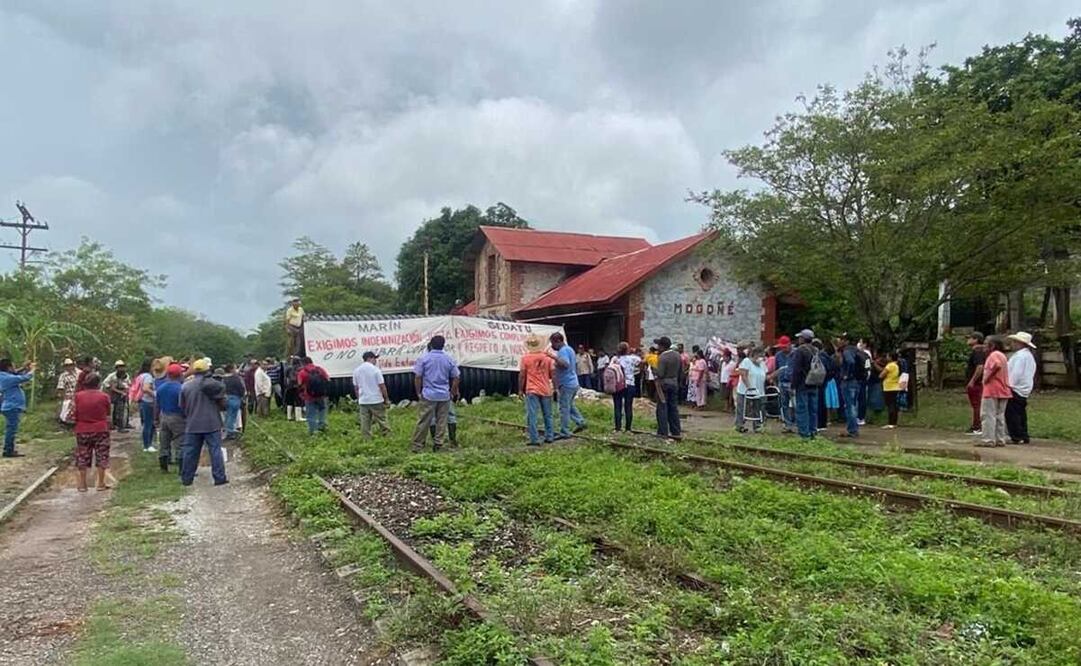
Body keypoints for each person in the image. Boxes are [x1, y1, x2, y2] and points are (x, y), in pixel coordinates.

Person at [179, 358, 228, 486]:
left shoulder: (185, 386)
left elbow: (182, 406)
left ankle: (187, 479)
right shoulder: (213, 385)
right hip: (212, 423)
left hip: (193, 424)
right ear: (208, 370)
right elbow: (222, 402)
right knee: (215, 451)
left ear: (194, 371)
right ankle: (219, 478)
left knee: (190, 452)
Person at [411, 335, 460, 452]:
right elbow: (457, 377)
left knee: (423, 420)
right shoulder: (449, 359)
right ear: (443, 345)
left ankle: (418, 445)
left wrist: (418, 392)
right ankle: (438, 444)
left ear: (431, 344)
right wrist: (452, 392)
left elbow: (418, 376)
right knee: (441, 421)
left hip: (428, 394)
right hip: (444, 395)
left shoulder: (424, 358)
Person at [72, 373, 112, 492]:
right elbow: (108, 413)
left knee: (82, 456)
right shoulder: (104, 396)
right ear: (98, 384)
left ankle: (83, 485)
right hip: (101, 429)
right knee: (102, 455)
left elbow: (74, 413)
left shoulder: (78, 396)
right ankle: (100, 483)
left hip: (82, 429)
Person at [548, 332, 587, 439]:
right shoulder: (570, 349)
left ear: (558, 341)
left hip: (566, 383)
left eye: (552, 343)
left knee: (563, 408)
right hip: (573, 382)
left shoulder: (563, 351)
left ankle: (565, 431)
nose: (552, 346)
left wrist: (554, 358)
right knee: (570, 405)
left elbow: (565, 364)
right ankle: (581, 422)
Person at [519, 334, 555, 445]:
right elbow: (552, 374)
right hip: (546, 389)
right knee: (548, 414)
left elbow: (522, 375)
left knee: (532, 414)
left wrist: (520, 389)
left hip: (532, 389)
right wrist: (555, 387)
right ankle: (549, 436)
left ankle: (534, 439)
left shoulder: (525, 358)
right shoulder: (548, 358)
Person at [977, 336, 1012, 447]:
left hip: (992, 389)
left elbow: (996, 365)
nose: (984, 346)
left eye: (986, 344)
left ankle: (988, 439)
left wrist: (986, 378)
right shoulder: (1002, 355)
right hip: (1003, 389)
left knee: (988, 415)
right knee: (999, 415)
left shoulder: (993, 355)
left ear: (992, 346)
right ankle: (1000, 438)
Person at [1006, 331, 1037, 445]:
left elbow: (1016, 373)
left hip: (1015, 388)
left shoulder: (1020, 357)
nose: (1012, 344)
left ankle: (1017, 436)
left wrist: (1008, 384)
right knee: (1020, 413)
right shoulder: (1028, 356)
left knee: (1012, 413)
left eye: (1014, 342)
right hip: (1023, 388)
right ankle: (1023, 435)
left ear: (1020, 343)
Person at [0, 359, 35, 458]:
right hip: (12, 406)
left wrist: (24, 367)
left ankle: (9, 449)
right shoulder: (7, 378)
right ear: (8, 367)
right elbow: (25, 378)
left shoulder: (3, 376)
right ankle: (8, 450)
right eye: (13, 366)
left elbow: (15, 373)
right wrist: (32, 370)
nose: (15, 368)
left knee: (11, 428)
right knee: (11, 429)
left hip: (10, 406)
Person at [789, 329, 820, 440]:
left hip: (803, 383)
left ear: (803, 338)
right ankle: (813, 431)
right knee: (813, 409)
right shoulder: (816, 350)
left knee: (802, 408)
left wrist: (793, 385)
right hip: (814, 382)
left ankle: (804, 433)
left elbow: (796, 369)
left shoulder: (800, 350)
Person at [155, 363, 186, 473]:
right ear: (179, 375)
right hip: (177, 417)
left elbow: (157, 405)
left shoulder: (161, 388)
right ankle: (182, 468)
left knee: (164, 442)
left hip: (164, 416)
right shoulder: (181, 388)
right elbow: (183, 405)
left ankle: (164, 467)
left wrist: (156, 419)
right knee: (180, 443)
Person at [353, 351, 391, 439]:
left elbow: (356, 388)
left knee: (365, 422)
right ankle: (387, 437)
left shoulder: (356, 371)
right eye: (375, 358)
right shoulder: (375, 370)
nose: (375, 361)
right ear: (370, 358)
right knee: (382, 420)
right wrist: (386, 399)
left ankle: (366, 440)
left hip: (363, 401)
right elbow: (382, 386)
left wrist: (359, 399)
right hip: (376, 399)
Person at [653, 336, 682, 440]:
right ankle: (676, 431)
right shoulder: (677, 355)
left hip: (663, 385)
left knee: (662, 408)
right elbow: (680, 371)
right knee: (673, 408)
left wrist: (654, 369)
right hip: (674, 383)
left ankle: (663, 432)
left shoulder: (662, 357)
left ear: (662, 346)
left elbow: (660, 373)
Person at [734, 348, 767, 433]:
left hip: (759, 391)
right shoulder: (747, 361)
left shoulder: (762, 364)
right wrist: (750, 387)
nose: (762, 358)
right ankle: (740, 425)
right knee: (743, 408)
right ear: (755, 355)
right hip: (745, 390)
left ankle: (757, 426)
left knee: (758, 408)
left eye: (763, 356)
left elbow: (765, 376)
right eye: (760, 356)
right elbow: (743, 375)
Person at [836, 335, 862, 438]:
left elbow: (851, 362)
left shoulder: (847, 351)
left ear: (846, 341)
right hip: (857, 381)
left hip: (849, 382)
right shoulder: (856, 350)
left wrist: (847, 375)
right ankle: (853, 428)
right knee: (854, 405)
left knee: (849, 406)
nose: (839, 341)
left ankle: (852, 430)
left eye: (841, 339)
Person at [768, 336, 796, 433]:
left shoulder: (796, 353)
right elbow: (777, 369)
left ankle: (798, 424)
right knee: (784, 405)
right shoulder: (778, 355)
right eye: (781, 347)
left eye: (785, 347)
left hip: (793, 383)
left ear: (789, 344)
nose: (783, 349)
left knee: (796, 405)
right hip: (782, 382)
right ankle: (787, 425)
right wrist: (776, 381)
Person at [298, 356, 330, 435]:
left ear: (303, 363)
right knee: (322, 411)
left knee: (311, 414)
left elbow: (299, 384)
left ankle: (313, 431)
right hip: (321, 396)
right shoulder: (320, 369)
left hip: (309, 396)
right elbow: (328, 379)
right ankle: (322, 427)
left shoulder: (302, 372)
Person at [612, 342, 640, 432]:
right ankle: (628, 428)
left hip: (618, 384)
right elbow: (642, 361)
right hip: (630, 383)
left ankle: (618, 428)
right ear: (627, 350)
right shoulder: (633, 358)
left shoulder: (615, 359)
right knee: (628, 407)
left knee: (617, 406)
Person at [964, 332, 987, 435]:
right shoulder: (981, 351)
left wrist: (972, 380)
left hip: (976, 383)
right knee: (977, 404)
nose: (967, 340)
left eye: (970, 338)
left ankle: (977, 426)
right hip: (978, 382)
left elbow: (980, 367)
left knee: (976, 404)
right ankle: (977, 425)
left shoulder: (977, 352)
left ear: (976, 340)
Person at [133, 359, 158, 452]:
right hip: (148, 401)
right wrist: (155, 394)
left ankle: (146, 444)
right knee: (149, 424)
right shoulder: (148, 377)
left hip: (142, 401)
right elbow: (145, 388)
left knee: (146, 423)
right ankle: (147, 445)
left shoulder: (140, 376)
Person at [102, 361, 131, 432]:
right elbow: (107, 385)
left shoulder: (125, 375)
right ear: (116, 368)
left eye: (123, 366)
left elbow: (128, 384)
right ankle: (116, 425)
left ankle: (120, 425)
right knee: (115, 410)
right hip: (111, 392)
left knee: (121, 408)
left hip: (120, 392)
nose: (121, 368)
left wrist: (125, 391)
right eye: (120, 367)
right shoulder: (112, 376)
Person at [221, 363, 246, 439]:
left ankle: (227, 430)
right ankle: (230, 432)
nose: (236, 370)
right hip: (235, 398)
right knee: (232, 416)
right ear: (231, 369)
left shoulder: (223, 379)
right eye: (235, 368)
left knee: (228, 415)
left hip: (226, 398)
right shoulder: (236, 378)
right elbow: (241, 388)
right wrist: (242, 396)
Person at [880, 351, 902, 429]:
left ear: (891, 358)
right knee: (894, 405)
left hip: (889, 387)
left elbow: (881, 375)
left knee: (890, 405)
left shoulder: (890, 365)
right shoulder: (897, 365)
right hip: (896, 386)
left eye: (888, 356)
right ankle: (894, 422)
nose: (886, 358)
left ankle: (891, 423)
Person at [56, 358, 79, 426]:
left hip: (79, 395)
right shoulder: (63, 376)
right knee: (66, 405)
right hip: (68, 395)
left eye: (70, 365)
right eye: (67, 365)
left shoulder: (79, 373)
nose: (69, 367)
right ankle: (66, 422)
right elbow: (60, 387)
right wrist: (64, 396)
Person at [284, 356, 304, 422]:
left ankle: (289, 417)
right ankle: (298, 417)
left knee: (290, 401)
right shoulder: (300, 368)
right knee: (298, 401)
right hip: (297, 386)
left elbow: (285, 377)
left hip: (289, 387)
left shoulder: (288, 368)